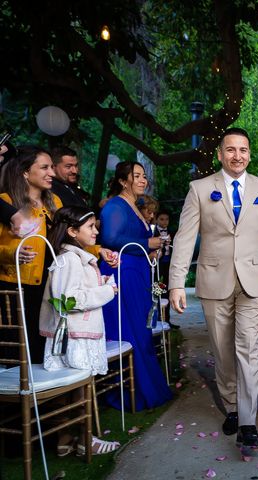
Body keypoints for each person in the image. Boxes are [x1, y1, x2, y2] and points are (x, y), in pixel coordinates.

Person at [168, 128, 258, 449]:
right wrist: (176, 282)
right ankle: (230, 404)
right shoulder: (199, 189)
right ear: (220, 154)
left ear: (250, 154)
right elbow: (185, 238)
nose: (237, 156)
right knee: (222, 349)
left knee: (248, 347)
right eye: (231, 150)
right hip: (214, 280)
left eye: (243, 150)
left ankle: (246, 421)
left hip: (254, 280)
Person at [39, 205, 120, 456]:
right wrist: (107, 291)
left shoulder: (77, 258)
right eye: (90, 227)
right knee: (81, 389)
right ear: (73, 231)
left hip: (79, 334)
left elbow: (78, 289)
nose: (96, 232)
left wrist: (100, 282)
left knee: (76, 390)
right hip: (74, 337)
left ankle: (66, 441)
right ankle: (86, 441)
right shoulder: (68, 260)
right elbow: (67, 300)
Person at [99, 161, 172, 411]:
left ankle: (147, 386)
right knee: (130, 331)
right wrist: (147, 242)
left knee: (141, 329)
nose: (143, 180)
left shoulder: (135, 206)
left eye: (143, 176)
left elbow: (134, 242)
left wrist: (148, 251)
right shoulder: (115, 206)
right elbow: (110, 238)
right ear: (123, 181)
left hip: (137, 272)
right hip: (123, 273)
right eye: (137, 176)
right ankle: (134, 391)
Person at [0, 146, 62, 363]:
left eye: (52, 167)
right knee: (16, 350)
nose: (52, 173)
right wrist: (12, 253)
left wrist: (98, 250)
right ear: (25, 172)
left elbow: (65, 241)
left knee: (41, 347)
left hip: (48, 286)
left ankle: (43, 395)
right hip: (15, 289)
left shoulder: (55, 202)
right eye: (44, 167)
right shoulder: (5, 202)